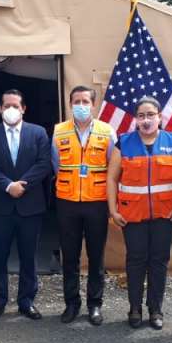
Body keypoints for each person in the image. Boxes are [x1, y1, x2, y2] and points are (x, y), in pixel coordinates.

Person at [107, 97, 172, 330]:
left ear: (160, 117)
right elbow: (112, 179)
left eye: (150, 115)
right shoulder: (123, 143)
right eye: (141, 116)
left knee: (159, 262)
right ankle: (134, 309)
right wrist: (113, 210)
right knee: (135, 261)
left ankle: (156, 310)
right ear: (135, 119)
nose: (146, 120)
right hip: (133, 215)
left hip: (166, 215)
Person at [0, 89, 51, 320]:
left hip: (30, 206)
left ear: (23, 109)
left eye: (15, 106)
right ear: (0, 109)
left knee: (28, 257)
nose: (11, 110)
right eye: (6, 106)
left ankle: (26, 301)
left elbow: (44, 164)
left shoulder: (38, 133)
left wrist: (24, 185)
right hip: (0, 206)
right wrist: (9, 186)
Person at [52, 85, 115, 325]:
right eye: (76, 101)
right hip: (67, 202)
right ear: (70, 104)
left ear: (93, 104)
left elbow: (113, 168)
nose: (81, 106)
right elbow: (55, 165)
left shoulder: (107, 132)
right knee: (70, 256)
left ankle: (95, 305)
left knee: (96, 256)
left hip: (96, 203)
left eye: (85, 101)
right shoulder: (59, 132)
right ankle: (71, 304)